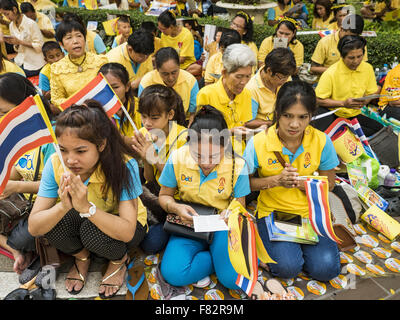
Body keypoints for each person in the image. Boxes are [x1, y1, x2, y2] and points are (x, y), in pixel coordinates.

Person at [28, 101, 148, 299]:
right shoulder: (55, 163)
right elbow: (34, 226)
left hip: (125, 226)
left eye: (80, 151)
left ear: (101, 145)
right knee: (54, 221)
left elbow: (128, 231)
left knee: (91, 231)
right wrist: (63, 207)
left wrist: (87, 208)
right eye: (63, 149)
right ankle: (82, 257)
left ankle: (118, 260)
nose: (70, 159)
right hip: (84, 218)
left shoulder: (124, 166)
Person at [243, 80, 341, 282]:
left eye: (302, 117)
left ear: (311, 116)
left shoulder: (322, 141)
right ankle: (276, 248)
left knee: (326, 270)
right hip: (274, 213)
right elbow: (245, 185)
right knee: (288, 268)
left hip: (311, 213)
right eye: (288, 116)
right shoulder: (258, 142)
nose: (294, 124)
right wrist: (276, 180)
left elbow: (329, 183)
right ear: (277, 112)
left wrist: (306, 185)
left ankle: (291, 250)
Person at [158, 105, 251, 289]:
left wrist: (230, 215)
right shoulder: (177, 157)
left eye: (214, 156)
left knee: (234, 281)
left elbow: (240, 207)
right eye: (198, 155)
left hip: (222, 226)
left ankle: (217, 260)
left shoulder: (237, 165)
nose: (206, 163)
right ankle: (216, 260)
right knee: (174, 274)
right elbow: (164, 196)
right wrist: (176, 208)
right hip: (188, 224)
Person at [0, 73, 55, 275]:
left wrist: (17, 187)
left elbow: (59, 186)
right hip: (26, 205)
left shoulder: (52, 135)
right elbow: (16, 171)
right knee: (21, 238)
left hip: (51, 208)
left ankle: (22, 246)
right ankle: (17, 252)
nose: (2, 119)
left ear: (24, 106)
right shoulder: (20, 137)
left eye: (4, 112)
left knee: (25, 236)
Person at [130, 84, 187, 254]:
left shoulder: (184, 137)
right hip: (155, 195)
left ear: (170, 114)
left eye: (154, 117)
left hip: (178, 198)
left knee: (154, 243)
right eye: (144, 116)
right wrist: (147, 159)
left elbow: (180, 181)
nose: (147, 123)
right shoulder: (143, 132)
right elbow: (149, 178)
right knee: (145, 242)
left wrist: (153, 158)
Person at [314, 35, 383, 136]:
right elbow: (318, 100)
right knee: (335, 135)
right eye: (351, 58)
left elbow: (372, 91)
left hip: (353, 115)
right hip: (333, 113)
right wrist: (343, 103)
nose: (356, 61)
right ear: (342, 56)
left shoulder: (367, 68)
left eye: (359, 56)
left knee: (379, 130)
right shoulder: (331, 72)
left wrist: (364, 101)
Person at [196, 43, 257, 139]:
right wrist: (229, 132)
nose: (244, 82)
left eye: (248, 76)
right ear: (224, 73)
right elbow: (200, 135)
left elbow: (243, 127)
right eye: (239, 76)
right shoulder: (206, 94)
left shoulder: (246, 94)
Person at [50, 17, 108, 108]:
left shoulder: (101, 61)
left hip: (102, 110)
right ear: (62, 45)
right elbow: (56, 99)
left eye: (79, 36)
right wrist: (78, 105)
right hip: (76, 115)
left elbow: (109, 89)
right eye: (69, 38)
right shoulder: (57, 68)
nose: (75, 41)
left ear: (84, 39)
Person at [138, 47, 199, 122]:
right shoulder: (147, 82)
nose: (170, 78)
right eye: (165, 74)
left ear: (179, 66)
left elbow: (193, 111)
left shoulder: (190, 81)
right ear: (157, 69)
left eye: (174, 72)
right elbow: (143, 111)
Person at [246, 48, 296, 129]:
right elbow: (248, 122)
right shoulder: (251, 88)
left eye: (287, 77)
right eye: (282, 77)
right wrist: (274, 122)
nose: (285, 81)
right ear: (269, 71)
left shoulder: (285, 76)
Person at [0, 0, 45, 77]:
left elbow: (40, 46)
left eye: (7, 14)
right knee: (5, 69)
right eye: (4, 15)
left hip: (34, 63)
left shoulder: (31, 24)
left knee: (11, 75)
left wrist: (20, 42)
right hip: (20, 60)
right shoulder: (11, 25)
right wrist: (15, 43)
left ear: (14, 9)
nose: (7, 18)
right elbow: (17, 49)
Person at [99, 62, 142, 139]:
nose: (110, 92)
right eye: (105, 88)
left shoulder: (141, 107)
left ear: (127, 86)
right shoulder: (98, 112)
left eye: (115, 87)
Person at [157, 10, 201, 78]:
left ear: (171, 27)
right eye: (159, 28)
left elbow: (182, 59)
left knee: (197, 68)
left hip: (185, 67)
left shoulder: (186, 35)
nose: (161, 31)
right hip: (168, 66)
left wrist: (168, 66)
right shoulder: (163, 35)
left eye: (163, 29)